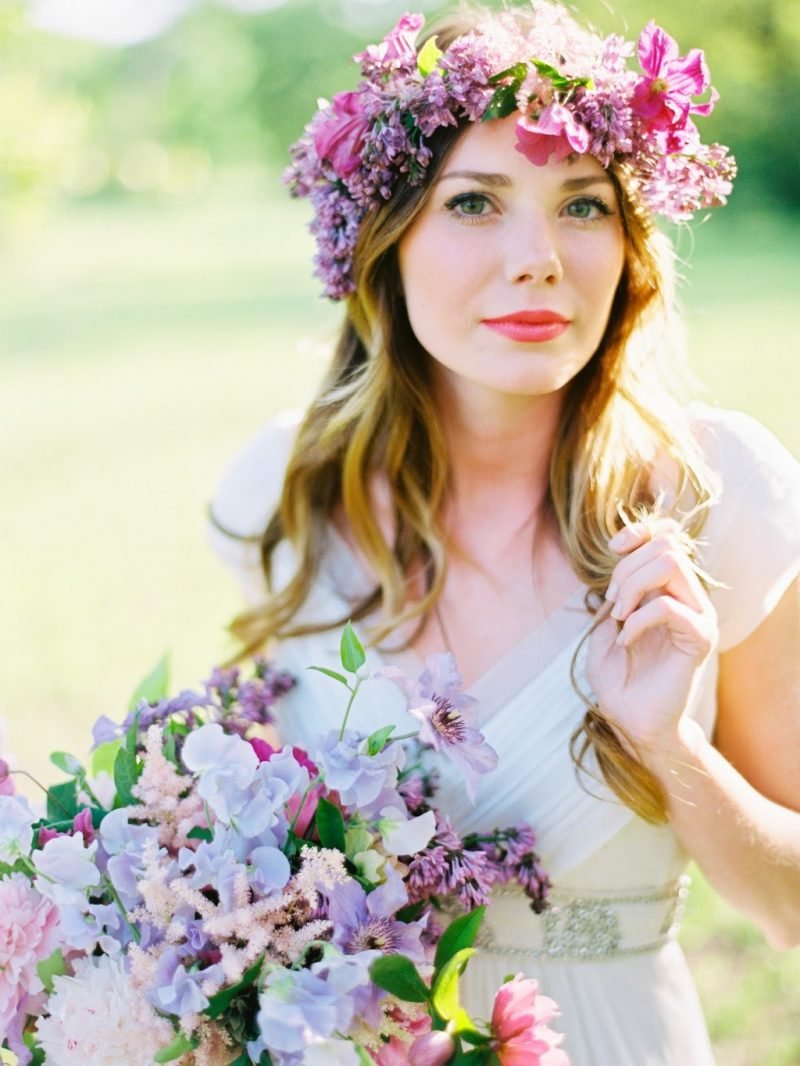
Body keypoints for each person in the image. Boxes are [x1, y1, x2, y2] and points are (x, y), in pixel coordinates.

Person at [208, 4, 800, 1063]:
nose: (538, 258)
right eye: (474, 201)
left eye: (582, 206)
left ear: (629, 246)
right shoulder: (286, 496)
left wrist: (669, 745)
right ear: (383, 243)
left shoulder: (721, 496)